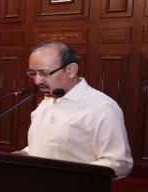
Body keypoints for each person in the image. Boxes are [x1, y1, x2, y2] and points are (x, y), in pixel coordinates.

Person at [15, 40, 133, 178]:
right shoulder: (46, 103)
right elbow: (49, 146)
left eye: (44, 73)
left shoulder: (102, 107)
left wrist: (68, 175)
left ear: (71, 70)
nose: (37, 81)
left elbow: (119, 163)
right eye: (32, 73)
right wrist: (24, 154)